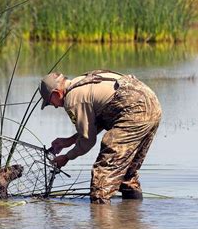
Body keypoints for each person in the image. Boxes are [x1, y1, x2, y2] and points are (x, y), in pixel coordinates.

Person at [39, 70, 161, 203]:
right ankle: (131, 219)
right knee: (127, 175)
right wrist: (69, 141)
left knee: (101, 180)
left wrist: (67, 157)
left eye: (51, 103)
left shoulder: (72, 99)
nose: (55, 107)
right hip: (152, 105)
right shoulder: (81, 81)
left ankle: (101, 221)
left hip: (134, 111)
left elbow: (88, 141)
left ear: (56, 93)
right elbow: (100, 119)